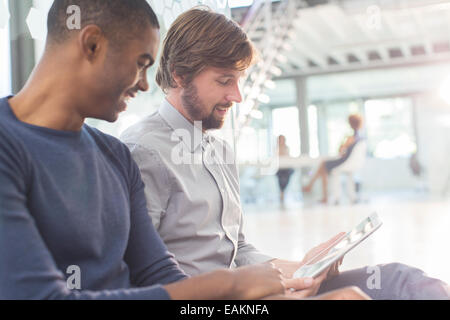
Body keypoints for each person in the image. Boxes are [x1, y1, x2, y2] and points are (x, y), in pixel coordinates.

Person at [120, 7, 449, 300]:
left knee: (400, 280)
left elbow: (237, 249)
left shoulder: (218, 149)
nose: (236, 96)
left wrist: (304, 268)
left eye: (238, 81)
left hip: (251, 291)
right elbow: (142, 277)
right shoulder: (143, 152)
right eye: (224, 81)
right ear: (180, 74)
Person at [0, 0, 297, 300]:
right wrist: (230, 285)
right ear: (91, 45)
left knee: (345, 293)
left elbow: (159, 274)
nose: (145, 85)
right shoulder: (9, 146)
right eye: (140, 64)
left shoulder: (114, 156)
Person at [302, 114, 364, 204]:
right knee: (323, 166)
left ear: (351, 124)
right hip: (350, 162)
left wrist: (343, 140)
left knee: (323, 165)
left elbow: (340, 151)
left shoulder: (351, 138)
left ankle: (314, 188)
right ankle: (314, 187)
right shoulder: (360, 138)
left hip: (344, 162)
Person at [275, 135, 295, 205]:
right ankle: (282, 193)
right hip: (280, 169)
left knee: (286, 178)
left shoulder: (287, 148)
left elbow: (288, 157)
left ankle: (282, 193)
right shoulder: (276, 148)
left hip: (287, 168)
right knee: (281, 180)